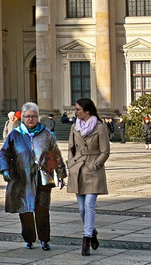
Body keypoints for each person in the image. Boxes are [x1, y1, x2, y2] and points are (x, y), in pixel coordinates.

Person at [1, 102, 65, 251]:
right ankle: (29, 239)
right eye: (28, 116)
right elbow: (4, 152)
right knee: (25, 211)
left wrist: (61, 175)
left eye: (34, 116)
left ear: (38, 118)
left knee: (42, 210)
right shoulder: (15, 135)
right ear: (23, 117)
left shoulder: (46, 134)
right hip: (22, 179)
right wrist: (5, 169)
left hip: (42, 179)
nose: (31, 119)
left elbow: (56, 155)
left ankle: (44, 239)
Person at [63, 97, 109, 256]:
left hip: (93, 169)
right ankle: (92, 231)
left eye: (78, 109)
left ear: (87, 111)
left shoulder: (100, 127)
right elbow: (70, 148)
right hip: (78, 169)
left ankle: (86, 239)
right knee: (82, 209)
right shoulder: (74, 128)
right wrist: (70, 163)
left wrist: (95, 165)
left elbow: (105, 151)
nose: (75, 112)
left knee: (89, 205)